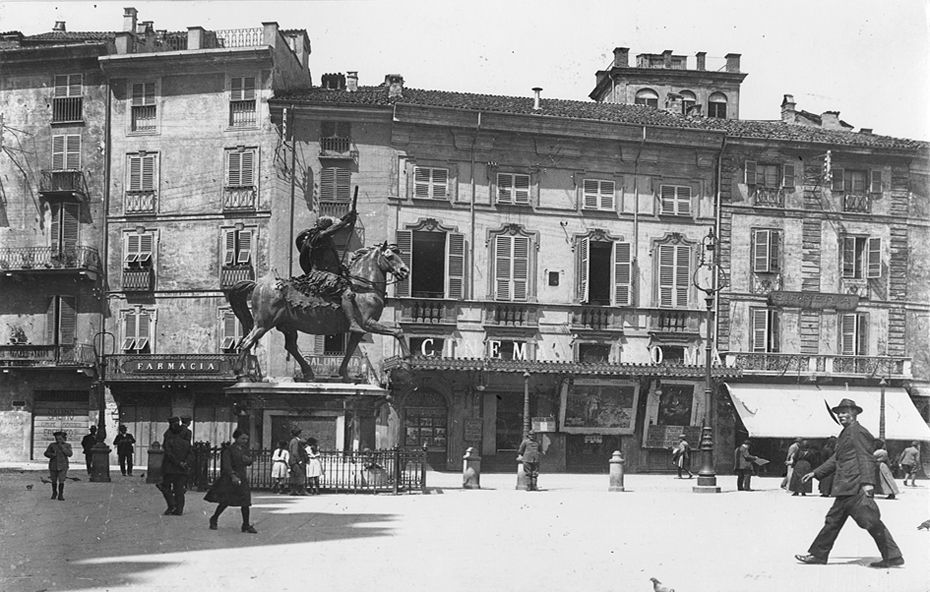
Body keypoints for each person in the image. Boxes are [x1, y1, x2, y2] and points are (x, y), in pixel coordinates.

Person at [795, 398, 904, 568]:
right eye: (839, 413)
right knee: (837, 520)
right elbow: (836, 458)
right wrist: (816, 473)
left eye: (844, 412)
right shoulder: (847, 432)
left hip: (854, 486)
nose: (840, 416)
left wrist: (868, 483)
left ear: (854, 413)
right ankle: (818, 555)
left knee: (869, 521)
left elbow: (865, 457)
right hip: (846, 485)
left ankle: (892, 556)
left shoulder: (857, 432)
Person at [295, 210, 363, 333]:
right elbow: (335, 228)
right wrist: (347, 220)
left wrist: (347, 216)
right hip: (321, 275)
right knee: (346, 292)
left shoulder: (319, 236)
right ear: (326, 227)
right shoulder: (320, 237)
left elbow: (335, 227)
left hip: (328, 273)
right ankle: (352, 323)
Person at [205, 429, 257, 533]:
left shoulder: (244, 449)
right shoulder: (229, 450)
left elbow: (248, 461)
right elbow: (227, 465)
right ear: (236, 438)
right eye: (243, 438)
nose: (245, 441)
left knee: (245, 501)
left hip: (242, 477)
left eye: (246, 439)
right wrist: (233, 476)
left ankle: (245, 525)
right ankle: (214, 518)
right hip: (230, 478)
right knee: (225, 501)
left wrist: (249, 461)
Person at [159, 416, 193, 516]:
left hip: (170, 468)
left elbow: (168, 453)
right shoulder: (186, 440)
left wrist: (178, 463)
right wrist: (185, 463)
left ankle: (172, 505)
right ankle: (179, 510)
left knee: (164, 485)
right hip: (182, 468)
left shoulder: (168, 437)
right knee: (179, 488)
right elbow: (191, 452)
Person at [44, 431, 72, 501]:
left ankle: (60, 494)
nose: (58, 440)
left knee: (61, 480)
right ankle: (54, 492)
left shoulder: (67, 445)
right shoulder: (52, 445)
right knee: (53, 480)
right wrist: (51, 455)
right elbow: (46, 453)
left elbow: (70, 454)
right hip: (53, 465)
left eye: (60, 439)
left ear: (63, 439)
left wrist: (63, 448)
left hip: (63, 465)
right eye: (56, 439)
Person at [288, 428, 309, 496]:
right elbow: (295, 452)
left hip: (293, 461)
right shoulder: (295, 441)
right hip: (296, 461)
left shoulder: (294, 440)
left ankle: (294, 491)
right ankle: (301, 491)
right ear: (298, 434)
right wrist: (299, 461)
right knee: (300, 475)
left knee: (295, 476)